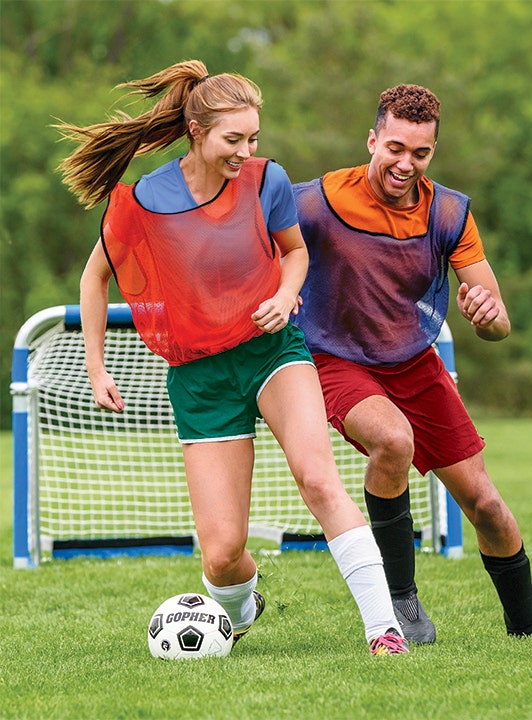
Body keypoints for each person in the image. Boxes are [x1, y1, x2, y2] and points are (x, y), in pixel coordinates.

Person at [55, 60, 409, 656]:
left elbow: (293, 254)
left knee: (318, 478)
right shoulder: (144, 199)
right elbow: (96, 280)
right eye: (233, 139)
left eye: (253, 138)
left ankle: (384, 630)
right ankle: (241, 608)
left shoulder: (267, 181)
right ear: (196, 132)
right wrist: (96, 368)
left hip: (273, 354)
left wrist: (284, 293)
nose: (246, 151)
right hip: (199, 377)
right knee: (221, 556)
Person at [292, 83, 532, 643]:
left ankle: (527, 630)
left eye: (420, 153)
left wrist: (486, 314)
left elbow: (498, 324)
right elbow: (256, 242)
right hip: (333, 357)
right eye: (395, 148)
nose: (405, 163)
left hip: (413, 361)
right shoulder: (315, 201)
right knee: (392, 441)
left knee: (486, 504)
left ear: (432, 152)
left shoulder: (448, 213)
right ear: (372, 140)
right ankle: (400, 600)